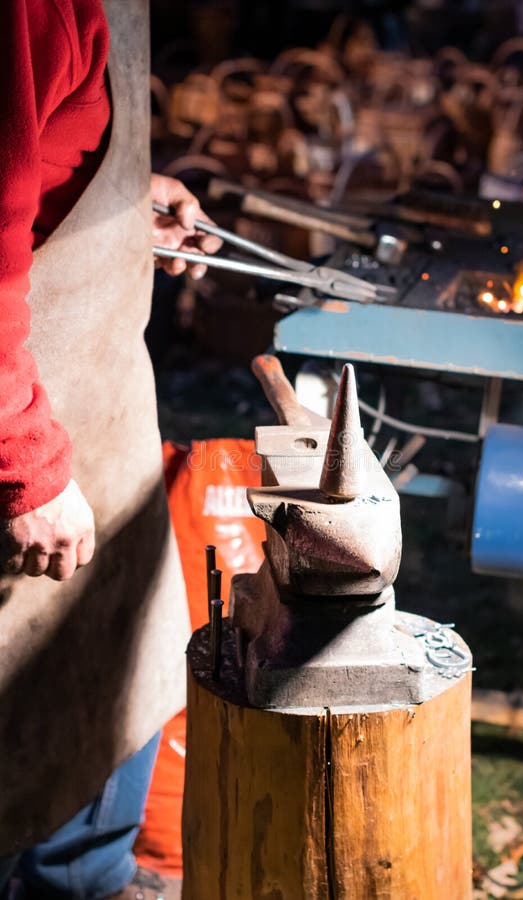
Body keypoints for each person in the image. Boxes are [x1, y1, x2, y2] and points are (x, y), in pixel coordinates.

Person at [0, 2, 221, 897]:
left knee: (98, 736)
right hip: (31, 426)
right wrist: (26, 464)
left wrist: (118, 192)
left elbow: (36, 145)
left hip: (91, 416)